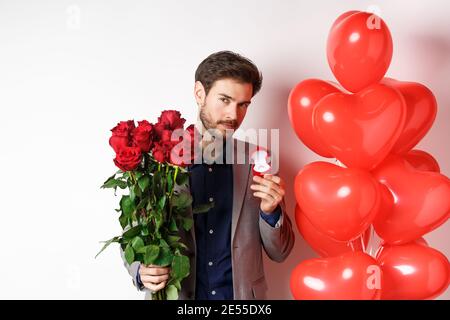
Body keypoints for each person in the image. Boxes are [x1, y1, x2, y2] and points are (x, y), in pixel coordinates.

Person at [123, 51, 295, 300]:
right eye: (224, 100)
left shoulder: (260, 161)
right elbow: (133, 231)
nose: (233, 115)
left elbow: (281, 252)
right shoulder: (160, 158)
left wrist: (270, 212)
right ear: (199, 93)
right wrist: (140, 270)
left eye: (243, 104)